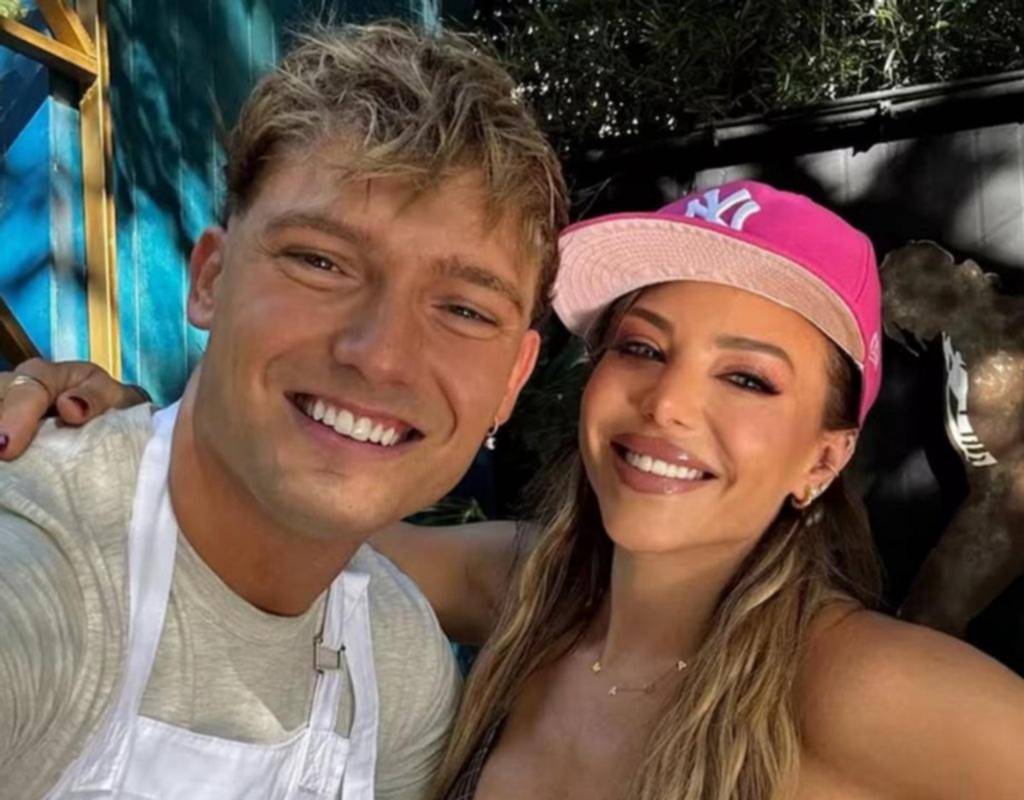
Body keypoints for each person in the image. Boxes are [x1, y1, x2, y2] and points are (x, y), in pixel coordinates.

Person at [13, 181, 1024, 799]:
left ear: (823, 458)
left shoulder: (861, 685)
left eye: (748, 379)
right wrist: (118, 429)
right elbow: (261, 517)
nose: (668, 403)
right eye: (642, 347)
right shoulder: (521, 589)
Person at [0, 20, 567, 799]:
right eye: (320, 262)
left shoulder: (398, 666)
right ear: (210, 279)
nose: (382, 355)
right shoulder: (40, 576)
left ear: (513, 379)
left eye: (465, 310)